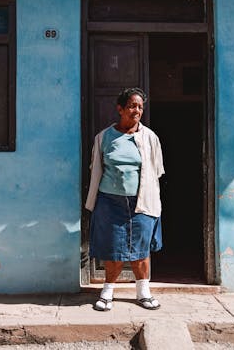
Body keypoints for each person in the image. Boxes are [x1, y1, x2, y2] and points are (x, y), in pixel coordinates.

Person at [85, 87, 165, 311]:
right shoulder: (104, 138)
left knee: (141, 249)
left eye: (140, 106)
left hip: (141, 202)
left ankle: (143, 293)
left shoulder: (150, 138)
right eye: (131, 106)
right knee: (114, 249)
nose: (136, 110)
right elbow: (96, 168)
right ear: (120, 109)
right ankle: (107, 292)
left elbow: (156, 170)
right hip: (110, 202)